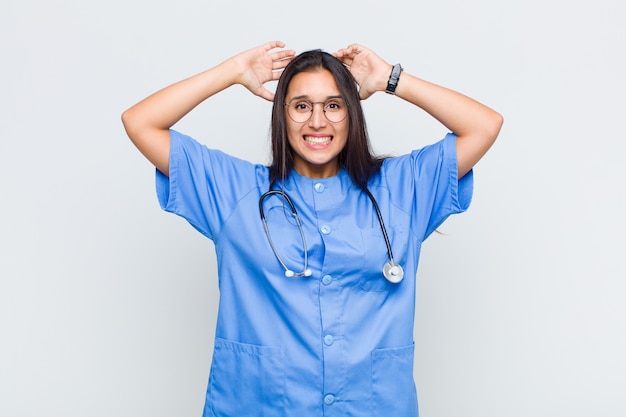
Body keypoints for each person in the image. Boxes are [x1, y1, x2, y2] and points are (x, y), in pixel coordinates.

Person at [122, 40, 502, 417]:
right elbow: (140, 122)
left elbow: (484, 125)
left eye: (334, 106)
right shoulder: (234, 190)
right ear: (281, 115)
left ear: (352, 114)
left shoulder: (403, 188)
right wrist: (232, 72)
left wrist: (389, 78)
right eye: (301, 106)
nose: (317, 121)